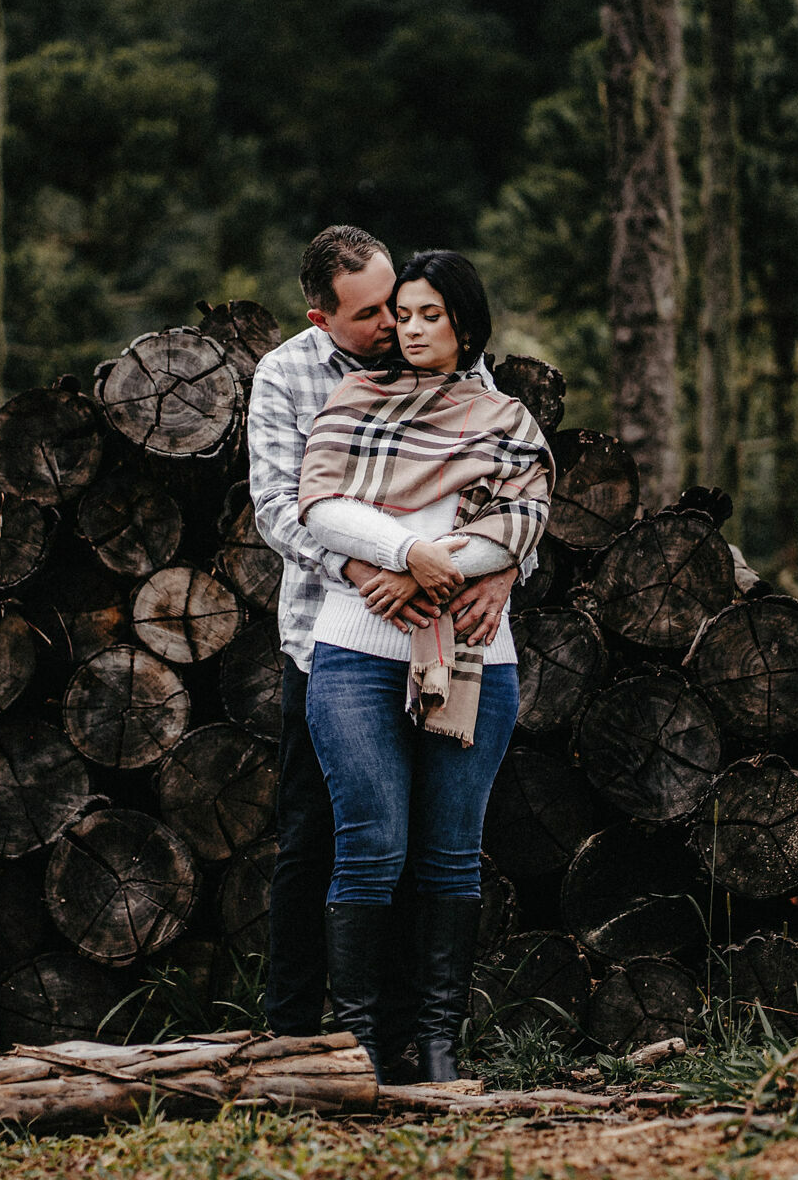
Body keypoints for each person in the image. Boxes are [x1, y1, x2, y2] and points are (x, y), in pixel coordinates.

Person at [247, 228, 522, 1068]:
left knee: (434, 846)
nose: (391, 326)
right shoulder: (290, 377)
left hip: (453, 642)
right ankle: (297, 1035)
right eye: (370, 313)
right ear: (322, 317)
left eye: (400, 303)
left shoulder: (467, 377)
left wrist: (501, 571)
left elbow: (513, 502)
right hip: (326, 635)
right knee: (321, 839)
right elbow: (285, 508)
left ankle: (412, 1036)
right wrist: (382, 567)